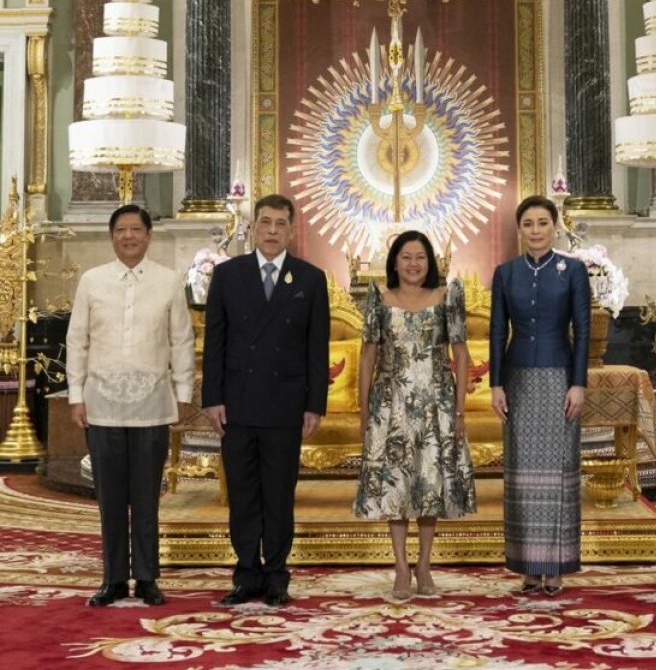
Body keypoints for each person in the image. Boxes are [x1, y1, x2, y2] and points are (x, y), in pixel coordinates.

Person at [202, 193, 330, 607]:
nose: (272, 231)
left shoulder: (310, 279)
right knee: (242, 493)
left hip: (285, 404)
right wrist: (212, 398)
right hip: (236, 403)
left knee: (278, 494)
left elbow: (317, 348)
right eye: (265, 223)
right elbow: (215, 342)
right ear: (253, 228)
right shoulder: (229, 275)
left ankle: (276, 575)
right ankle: (245, 574)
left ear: (292, 230)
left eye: (280, 224)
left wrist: (316, 404)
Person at [66, 204, 194, 607]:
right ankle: (113, 579)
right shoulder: (91, 281)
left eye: (136, 229)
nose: (128, 236)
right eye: (120, 230)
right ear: (111, 236)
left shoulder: (169, 281)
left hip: (153, 403)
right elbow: (76, 340)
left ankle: (147, 578)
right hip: (101, 402)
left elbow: (182, 341)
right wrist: (75, 396)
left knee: (145, 496)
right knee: (110, 497)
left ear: (148, 235)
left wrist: (184, 394)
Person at [353, 230, 476, 599]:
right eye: (406, 257)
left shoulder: (446, 296)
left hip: (435, 404)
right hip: (390, 405)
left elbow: (462, 354)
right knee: (396, 486)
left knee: (428, 485)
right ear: (394, 261)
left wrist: (459, 410)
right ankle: (401, 569)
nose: (413, 264)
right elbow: (367, 356)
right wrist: (364, 412)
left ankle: (424, 564)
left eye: (420, 257)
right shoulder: (378, 297)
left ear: (431, 261)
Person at [489, 194, 590, 595]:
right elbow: (498, 331)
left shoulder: (573, 270)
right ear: (520, 230)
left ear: (555, 226)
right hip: (517, 381)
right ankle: (529, 567)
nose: (535, 231)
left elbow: (582, 331)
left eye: (542, 223)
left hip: (560, 380)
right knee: (522, 477)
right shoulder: (506, 273)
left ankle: (556, 565)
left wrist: (578, 382)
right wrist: (496, 383)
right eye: (528, 224)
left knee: (558, 472)